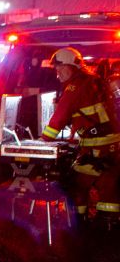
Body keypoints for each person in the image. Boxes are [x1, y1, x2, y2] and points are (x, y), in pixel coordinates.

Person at [40, 47, 120, 223]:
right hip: (113, 146)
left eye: (60, 68)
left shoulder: (74, 87)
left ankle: (77, 221)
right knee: (108, 186)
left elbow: (59, 118)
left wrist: (42, 141)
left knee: (76, 183)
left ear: (71, 67)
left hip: (96, 147)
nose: (57, 74)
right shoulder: (94, 81)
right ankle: (108, 225)